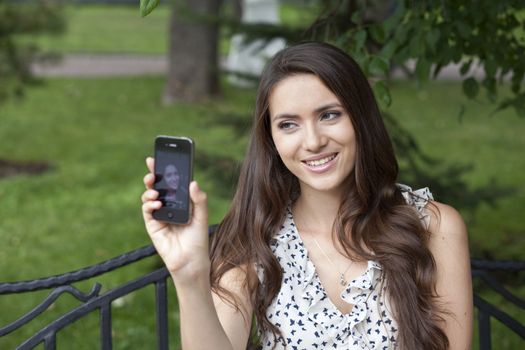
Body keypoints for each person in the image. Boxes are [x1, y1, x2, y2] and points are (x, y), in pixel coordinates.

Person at [141, 42, 472, 349]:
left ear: (360, 118)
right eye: (288, 124)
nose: (313, 142)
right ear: (270, 138)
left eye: (329, 115)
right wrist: (190, 276)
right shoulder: (255, 238)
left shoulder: (434, 225)